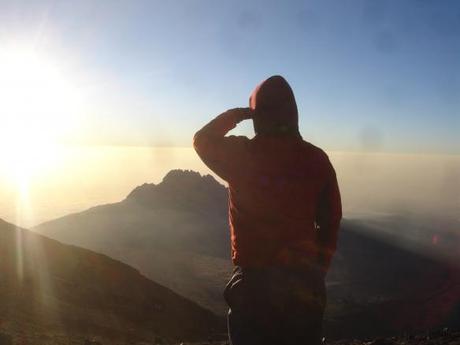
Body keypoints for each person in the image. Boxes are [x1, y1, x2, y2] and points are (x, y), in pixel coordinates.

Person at [193, 75, 342, 345]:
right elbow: (331, 220)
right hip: (304, 281)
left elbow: (202, 140)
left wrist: (239, 115)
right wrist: (319, 268)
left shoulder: (242, 155)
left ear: (258, 113)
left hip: (254, 284)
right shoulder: (317, 159)